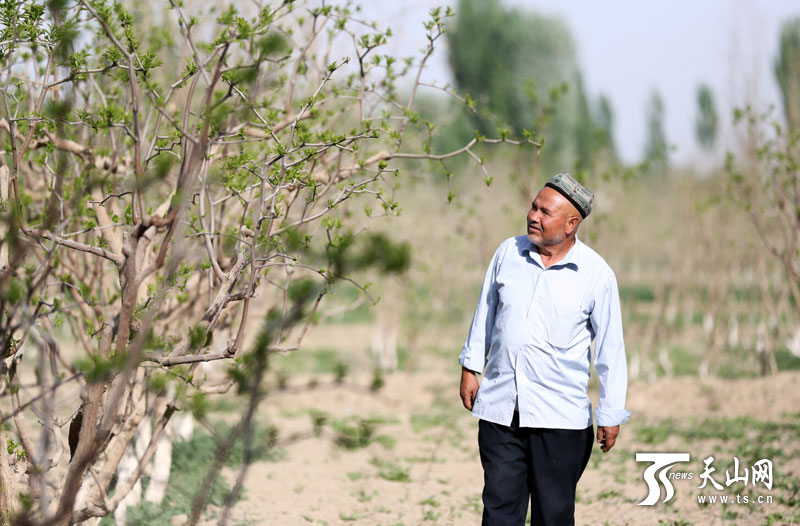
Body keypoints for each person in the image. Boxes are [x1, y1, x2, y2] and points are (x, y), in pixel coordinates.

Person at [459, 172, 631, 526]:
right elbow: (486, 312)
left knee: (552, 516)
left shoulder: (596, 275)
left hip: (560, 420)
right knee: (498, 512)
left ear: (571, 224)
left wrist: (611, 413)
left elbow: (610, 350)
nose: (533, 216)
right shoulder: (509, 252)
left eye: (545, 212)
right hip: (501, 409)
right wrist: (470, 366)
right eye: (533, 207)